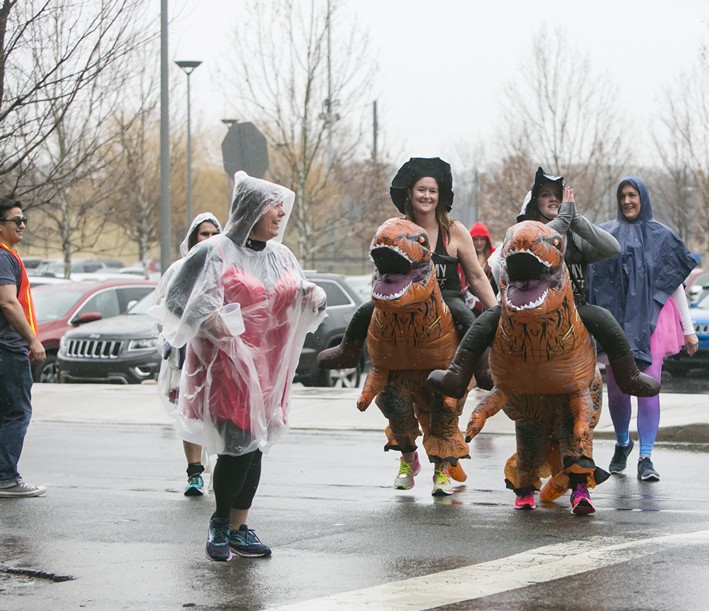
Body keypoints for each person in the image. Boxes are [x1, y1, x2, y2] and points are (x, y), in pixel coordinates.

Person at [154, 172, 326, 561]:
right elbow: (177, 300)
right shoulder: (213, 251)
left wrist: (312, 295)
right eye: (272, 205)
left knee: (257, 445)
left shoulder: (281, 256)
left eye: (282, 206)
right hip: (227, 367)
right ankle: (219, 521)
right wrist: (209, 318)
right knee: (238, 447)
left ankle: (239, 526)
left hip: (269, 367)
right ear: (250, 209)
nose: (281, 213)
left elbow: (296, 292)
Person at [318, 157, 497, 492]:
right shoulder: (395, 228)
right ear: (410, 194)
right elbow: (379, 270)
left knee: (468, 319)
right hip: (401, 304)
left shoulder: (454, 230)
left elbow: (474, 275)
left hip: (446, 299)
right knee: (365, 311)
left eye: (432, 190)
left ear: (440, 195)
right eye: (421, 190)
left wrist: (497, 311)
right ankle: (347, 351)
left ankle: (481, 371)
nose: (426, 195)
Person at [429, 167, 659, 401]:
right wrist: (561, 221)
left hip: (573, 308)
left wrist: (575, 220)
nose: (553, 199)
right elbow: (506, 258)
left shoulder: (576, 236)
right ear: (534, 202)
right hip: (524, 306)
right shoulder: (520, 231)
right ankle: (458, 374)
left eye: (558, 196)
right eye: (546, 195)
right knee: (484, 322)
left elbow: (613, 247)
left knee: (605, 320)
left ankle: (629, 376)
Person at [589, 177, 699, 482]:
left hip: (652, 323)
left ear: (643, 198)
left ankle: (646, 456)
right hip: (617, 324)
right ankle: (623, 442)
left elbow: (673, 284)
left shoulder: (662, 237)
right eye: (622, 195)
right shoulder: (605, 234)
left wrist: (688, 329)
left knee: (648, 389)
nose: (627, 201)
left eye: (632, 195)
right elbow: (592, 280)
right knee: (619, 393)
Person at [153, 212, 221, 496]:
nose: (208, 239)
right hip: (184, 356)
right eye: (203, 234)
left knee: (218, 414)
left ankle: (221, 472)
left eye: (213, 234)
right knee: (189, 413)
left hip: (218, 355)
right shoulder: (179, 269)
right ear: (193, 237)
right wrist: (170, 340)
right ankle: (194, 473)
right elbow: (163, 308)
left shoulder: (225, 269)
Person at [0, 198, 47, 498]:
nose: (22, 225)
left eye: (24, 219)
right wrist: (32, 339)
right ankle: (6, 477)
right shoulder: (4, 257)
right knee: (17, 412)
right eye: (15, 220)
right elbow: (7, 301)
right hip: (8, 348)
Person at [466, 221, 497, 314]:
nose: (479, 243)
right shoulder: (465, 256)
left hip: (490, 298)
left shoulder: (495, 256)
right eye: (475, 239)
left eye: (482, 239)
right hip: (469, 301)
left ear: (486, 240)